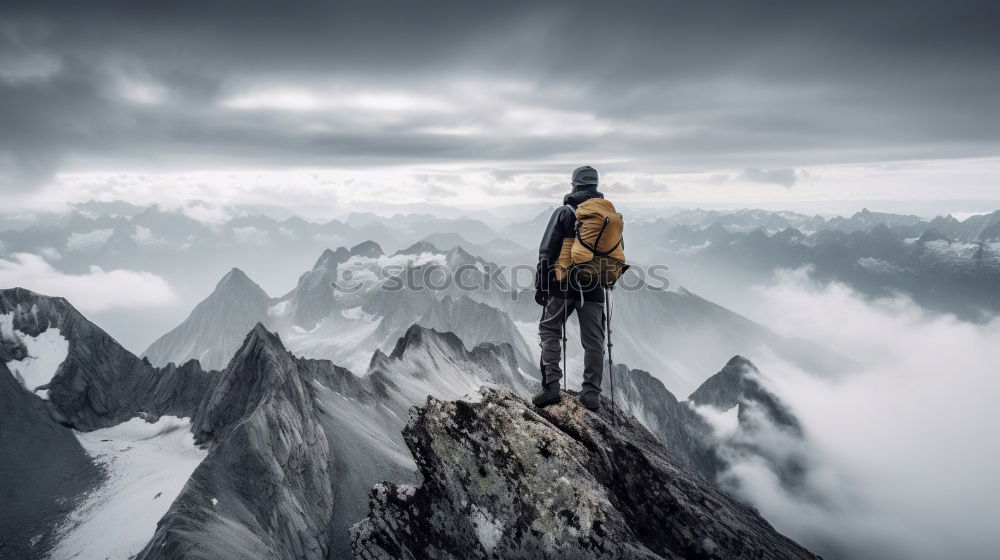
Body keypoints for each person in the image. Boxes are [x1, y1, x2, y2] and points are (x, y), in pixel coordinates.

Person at [532, 165, 606, 411]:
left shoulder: (565, 212)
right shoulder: (607, 216)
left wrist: (541, 286)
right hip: (594, 286)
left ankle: (552, 387)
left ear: (574, 185)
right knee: (594, 340)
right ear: (595, 186)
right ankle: (592, 394)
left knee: (549, 330)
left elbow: (546, 252)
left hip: (562, 286)